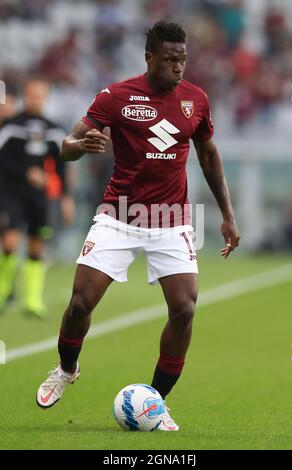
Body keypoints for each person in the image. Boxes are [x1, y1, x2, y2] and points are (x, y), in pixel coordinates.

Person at [36, 21, 240, 430]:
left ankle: (154, 402)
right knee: (79, 304)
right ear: (149, 58)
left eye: (182, 59)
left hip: (171, 220)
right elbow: (66, 146)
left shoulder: (195, 101)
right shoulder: (116, 97)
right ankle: (66, 368)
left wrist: (227, 214)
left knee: (184, 309)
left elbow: (209, 155)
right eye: (169, 59)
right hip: (119, 215)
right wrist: (82, 146)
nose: (178, 67)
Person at [0, 79, 74, 316]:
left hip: (39, 196)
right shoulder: (11, 125)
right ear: (25, 96)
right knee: (10, 243)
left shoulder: (53, 129)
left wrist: (65, 197)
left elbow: (62, 165)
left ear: (46, 98)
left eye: (40, 95)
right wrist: (25, 172)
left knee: (36, 246)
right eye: (31, 95)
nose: (35, 99)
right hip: (12, 193)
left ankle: (32, 300)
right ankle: (3, 292)